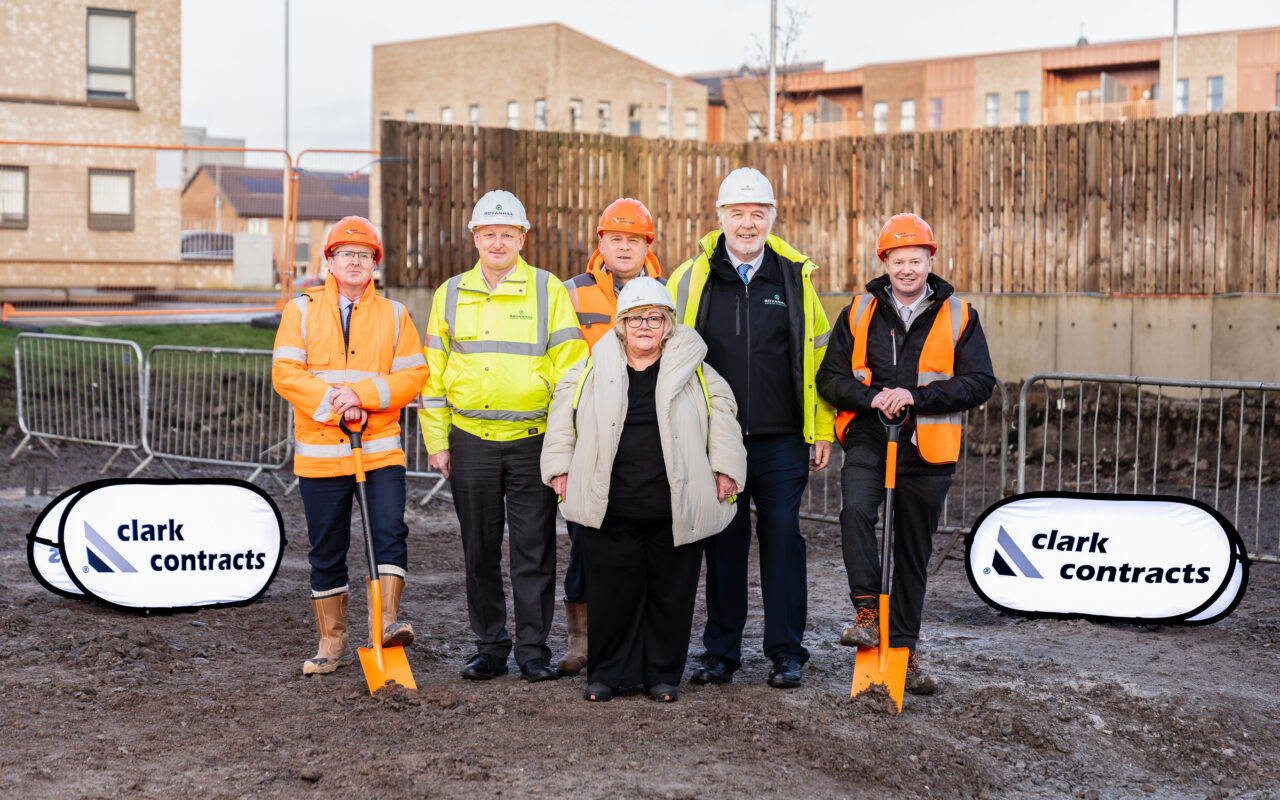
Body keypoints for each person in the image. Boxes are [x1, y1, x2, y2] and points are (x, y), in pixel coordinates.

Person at [666, 167, 835, 690]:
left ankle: (786, 652)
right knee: (724, 542)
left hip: (782, 440)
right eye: (737, 213)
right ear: (721, 217)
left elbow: (819, 357)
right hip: (716, 440)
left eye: (757, 214)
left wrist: (822, 428)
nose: (747, 224)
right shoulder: (690, 278)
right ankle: (721, 654)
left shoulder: (793, 277)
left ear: (771, 218)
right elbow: (667, 356)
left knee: (782, 536)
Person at [541, 277, 746, 702]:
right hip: (610, 504)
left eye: (655, 318)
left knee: (670, 595)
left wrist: (726, 470)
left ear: (668, 325)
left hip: (673, 505)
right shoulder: (590, 369)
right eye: (635, 318)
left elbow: (724, 417)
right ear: (621, 325)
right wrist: (559, 469)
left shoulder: (697, 371)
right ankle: (607, 674)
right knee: (611, 594)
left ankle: (661, 675)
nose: (645, 326)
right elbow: (562, 418)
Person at [816, 212, 995, 695]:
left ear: (930, 260)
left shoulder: (960, 315)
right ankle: (867, 612)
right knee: (855, 510)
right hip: (869, 435)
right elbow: (829, 378)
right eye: (898, 261)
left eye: (915, 260)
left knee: (912, 553)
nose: (907, 269)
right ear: (885, 263)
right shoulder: (859, 311)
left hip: (927, 445)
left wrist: (915, 396)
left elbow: (980, 382)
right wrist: (873, 397)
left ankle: (905, 654)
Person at [420, 190, 588, 683]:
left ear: (522, 238)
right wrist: (437, 442)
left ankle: (533, 650)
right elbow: (433, 374)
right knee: (479, 550)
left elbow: (572, 370)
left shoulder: (547, 289)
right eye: (489, 234)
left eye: (507, 234)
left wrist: (563, 444)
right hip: (470, 439)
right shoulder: (450, 293)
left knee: (534, 551)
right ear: (475, 237)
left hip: (533, 439)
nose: (498, 242)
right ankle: (490, 647)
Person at [271, 216, 429, 676]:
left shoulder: (395, 314)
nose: (355, 262)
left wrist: (363, 395)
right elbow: (286, 373)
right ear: (330, 260)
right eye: (346, 254)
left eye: (363, 254)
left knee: (389, 534)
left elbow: (413, 375)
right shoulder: (299, 311)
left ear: (374, 262)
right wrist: (336, 404)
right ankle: (331, 642)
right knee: (326, 547)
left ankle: (386, 626)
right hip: (321, 454)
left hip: (378, 450)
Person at [555, 197, 665, 676]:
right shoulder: (571, 294)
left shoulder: (664, 292)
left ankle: (635, 637)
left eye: (633, 240)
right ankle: (582, 640)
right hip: (592, 437)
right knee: (585, 538)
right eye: (615, 238)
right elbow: (562, 364)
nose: (623, 247)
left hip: (647, 437)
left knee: (645, 545)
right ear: (600, 242)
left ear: (647, 246)